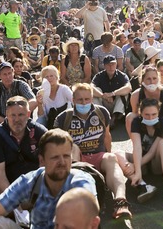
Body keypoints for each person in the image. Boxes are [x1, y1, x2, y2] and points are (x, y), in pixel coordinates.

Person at [0, 129, 96, 229]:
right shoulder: (31, 180)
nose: (62, 162)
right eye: (55, 158)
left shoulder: (80, 182)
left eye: (66, 156)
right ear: (42, 161)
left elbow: (88, 219)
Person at [54, 83, 132, 219]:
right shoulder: (63, 118)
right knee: (72, 147)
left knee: (111, 159)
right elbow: (57, 145)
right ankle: (78, 198)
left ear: (92, 99)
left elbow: (107, 136)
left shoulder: (101, 112)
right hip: (77, 159)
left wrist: (109, 152)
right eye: (80, 100)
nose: (84, 103)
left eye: (87, 99)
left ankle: (120, 201)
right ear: (73, 100)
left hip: (98, 155)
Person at [0, 96, 48, 193]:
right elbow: (0, 176)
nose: (17, 119)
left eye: (21, 115)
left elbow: (48, 165)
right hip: (7, 190)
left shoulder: (39, 132)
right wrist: (15, 205)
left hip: (36, 188)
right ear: (7, 114)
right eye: (13, 115)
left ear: (28, 114)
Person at [127, 66, 163, 137]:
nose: (152, 82)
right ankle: (137, 142)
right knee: (130, 117)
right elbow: (136, 115)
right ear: (142, 81)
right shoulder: (136, 95)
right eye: (148, 79)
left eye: (154, 78)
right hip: (147, 125)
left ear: (158, 79)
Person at [91, 55, 131, 124]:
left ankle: (115, 117)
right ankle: (101, 116)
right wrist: (102, 95)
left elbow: (128, 88)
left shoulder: (121, 75)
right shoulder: (99, 75)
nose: (111, 67)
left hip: (116, 103)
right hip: (104, 102)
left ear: (116, 64)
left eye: (113, 64)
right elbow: (90, 87)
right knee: (95, 90)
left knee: (125, 93)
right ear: (104, 66)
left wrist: (113, 93)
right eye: (108, 65)